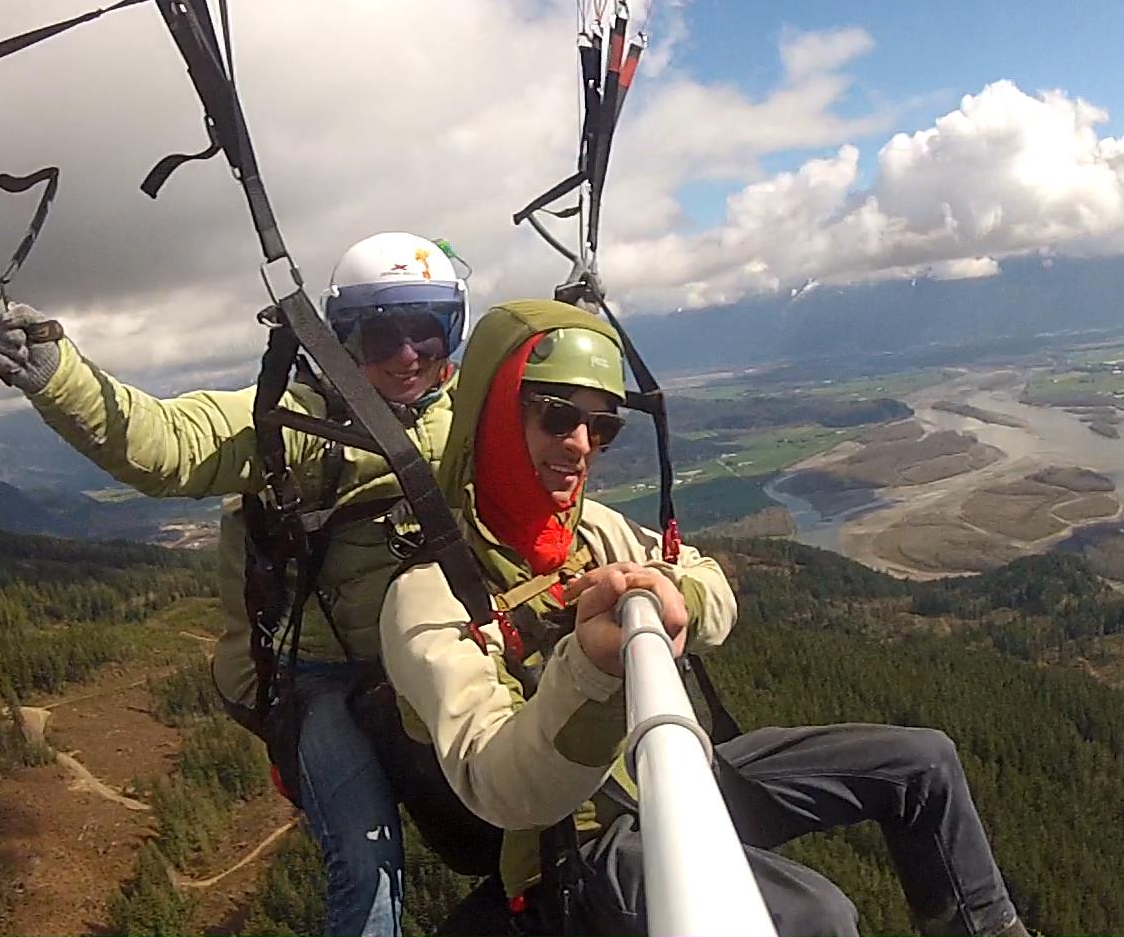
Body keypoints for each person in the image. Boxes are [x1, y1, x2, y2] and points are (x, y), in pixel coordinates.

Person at [378, 300, 1029, 936]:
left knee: (922, 764)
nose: (581, 447)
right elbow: (499, 786)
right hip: (576, 842)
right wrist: (593, 669)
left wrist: (670, 593)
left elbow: (712, 588)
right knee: (810, 916)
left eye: (602, 427)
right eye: (557, 417)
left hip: (674, 770)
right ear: (494, 415)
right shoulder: (430, 594)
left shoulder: (594, 531)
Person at [0, 231, 467, 937]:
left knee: (521, 819)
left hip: (422, 655)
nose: (406, 356)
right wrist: (60, 378)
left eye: (425, 333)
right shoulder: (294, 422)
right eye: (382, 334)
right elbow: (169, 443)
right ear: (342, 338)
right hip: (317, 675)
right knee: (369, 870)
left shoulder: (466, 420)